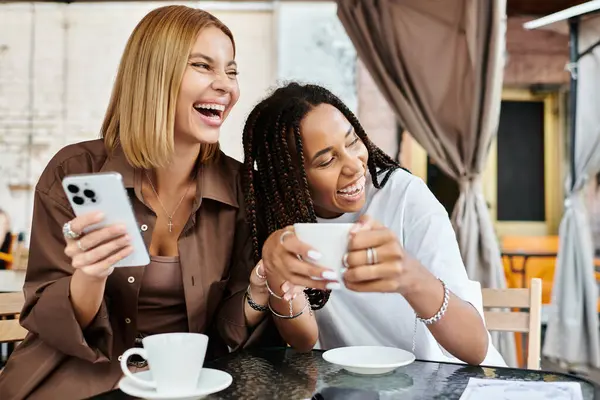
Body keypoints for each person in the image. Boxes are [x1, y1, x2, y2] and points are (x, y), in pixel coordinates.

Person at [0, 6, 277, 399]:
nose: (226, 86)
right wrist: (90, 277)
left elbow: (226, 331)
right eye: (203, 66)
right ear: (154, 74)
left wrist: (257, 292)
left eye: (231, 71)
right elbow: (46, 315)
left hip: (181, 385)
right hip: (71, 382)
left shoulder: (240, 187)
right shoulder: (74, 171)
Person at [242, 82, 506, 366]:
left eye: (353, 141)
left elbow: (475, 349)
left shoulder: (405, 196)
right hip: (350, 387)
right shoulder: (285, 223)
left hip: (444, 382)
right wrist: (280, 279)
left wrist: (408, 276)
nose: (355, 165)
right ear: (291, 180)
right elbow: (303, 341)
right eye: (327, 160)